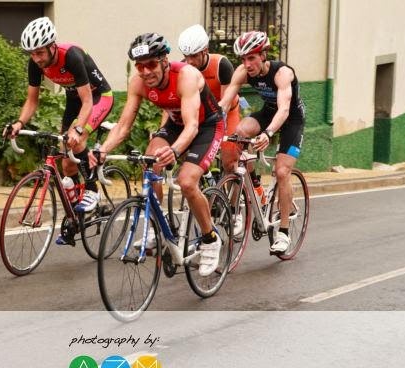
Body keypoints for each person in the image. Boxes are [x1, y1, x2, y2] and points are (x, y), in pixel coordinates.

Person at [88, 33, 225, 277]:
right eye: (140, 66)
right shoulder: (138, 82)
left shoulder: (186, 76)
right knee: (149, 162)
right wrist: (103, 149)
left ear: (164, 61)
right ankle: (156, 226)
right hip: (175, 124)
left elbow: (192, 125)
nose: (145, 71)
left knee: (187, 182)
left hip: (207, 126)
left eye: (151, 64)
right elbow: (123, 126)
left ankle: (210, 238)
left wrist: (174, 151)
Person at [8, 17, 114, 233]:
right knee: (66, 163)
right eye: (32, 53)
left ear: (52, 46)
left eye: (40, 52)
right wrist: (19, 123)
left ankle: (92, 191)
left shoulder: (71, 56)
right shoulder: (35, 63)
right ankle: (76, 215)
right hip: (74, 100)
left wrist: (78, 129)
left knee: (77, 140)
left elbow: (87, 101)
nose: (36, 58)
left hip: (98, 98)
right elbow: (32, 100)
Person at [219, 31, 305, 255]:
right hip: (268, 113)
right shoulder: (242, 72)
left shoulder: (282, 74)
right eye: (243, 59)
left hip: (291, 119)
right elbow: (224, 103)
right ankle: (253, 188)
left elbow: (284, 110)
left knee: (282, 171)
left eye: (252, 58)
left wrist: (268, 133)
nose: (247, 64)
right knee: (239, 133)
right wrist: (210, 126)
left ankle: (283, 233)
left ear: (263, 55)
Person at [177, 24, 246, 236]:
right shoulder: (184, 69)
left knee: (229, 161)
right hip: (201, 115)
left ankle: (235, 210)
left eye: (193, 56)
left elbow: (226, 101)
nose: (189, 61)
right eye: (185, 56)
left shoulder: (221, 65)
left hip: (226, 112)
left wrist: (219, 134)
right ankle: (208, 186)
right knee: (188, 156)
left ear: (205, 51)